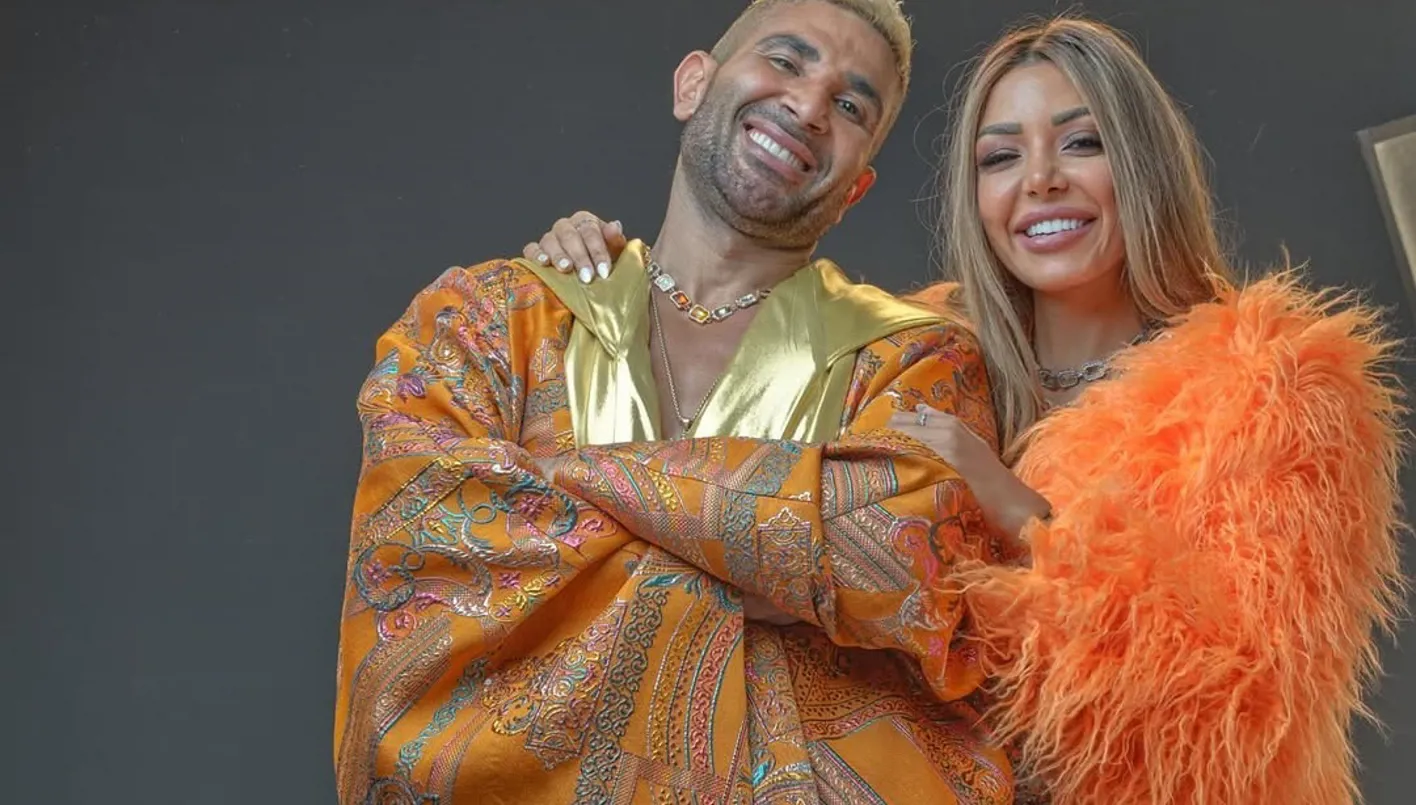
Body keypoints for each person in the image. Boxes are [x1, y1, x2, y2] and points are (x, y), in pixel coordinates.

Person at [523, 15, 1407, 804]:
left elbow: (1242, 711)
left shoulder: (1277, 386)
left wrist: (1016, 509)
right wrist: (626, 280)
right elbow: (729, 502)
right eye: (1001, 157)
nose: (1041, 181)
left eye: (1082, 143)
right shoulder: (919, 361)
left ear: (1143, 163)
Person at [335, 2, 1028, 803]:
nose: (809, 106)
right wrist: (780, 568)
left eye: (850, 106)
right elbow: (415, 578)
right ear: (692, 83)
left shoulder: (914, 358)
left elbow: (901, 559)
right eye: (786, 61)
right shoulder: (489, 318)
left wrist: (556, 492)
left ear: (857, 188)